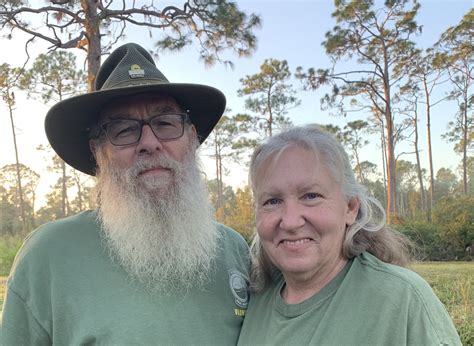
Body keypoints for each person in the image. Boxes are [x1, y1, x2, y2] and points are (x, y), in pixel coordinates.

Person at [0, 43, 250, 345]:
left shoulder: (234, 251)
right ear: (98, 151)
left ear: (192, 138)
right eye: (124, 130)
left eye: (165, 123)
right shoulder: (47, 256)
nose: (149, 142)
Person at [238, 125, 461, 345]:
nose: (290, 221)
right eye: (272, 201)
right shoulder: (256, 300)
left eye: (311, 196)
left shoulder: (401, 299)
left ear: (350, 208)